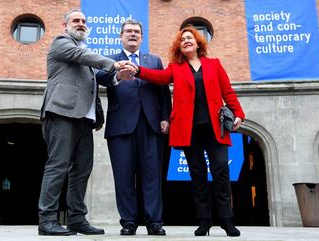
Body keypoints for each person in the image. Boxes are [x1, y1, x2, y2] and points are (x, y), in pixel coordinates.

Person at [133, 26, 245, 237]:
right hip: (189, 129)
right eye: (182, 39)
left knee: (221, 171)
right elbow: (160, 77)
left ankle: (226, 220)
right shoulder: (175, 68)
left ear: (198, 42)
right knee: (197, 174)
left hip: (215, 128)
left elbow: (227, 91)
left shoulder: (214, 64)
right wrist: (139, 70)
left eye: (189, 38)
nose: (186, 41)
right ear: (179, 47)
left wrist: (238, 112)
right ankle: (204, 221)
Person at [38, 9, 135, 236]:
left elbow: (93, 82)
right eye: (76, 21)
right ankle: (47, 219)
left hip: (84, 119)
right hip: (62, 113)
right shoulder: (61, 43)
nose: (81, 24)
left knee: (82, 170)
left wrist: (115, 79)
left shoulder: (85, 52)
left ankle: (76, 219)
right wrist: (114, 64)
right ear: (65, 25)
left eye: (83, 21)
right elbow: (85, 59)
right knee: (58, 166)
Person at [96, 19, 171, 236]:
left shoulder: (154, 60)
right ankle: (128, 222)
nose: (132, 34)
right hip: (121, 127)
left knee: (152, 176)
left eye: (137, 32)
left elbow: (163, 91)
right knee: (124, 176)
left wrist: (165, 117)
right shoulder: (111, 60)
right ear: (121, 36)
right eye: (128, 31)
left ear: (142, 36)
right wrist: (117, 75)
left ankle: (154, 222)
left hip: (151, 125)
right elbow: (100, 77)